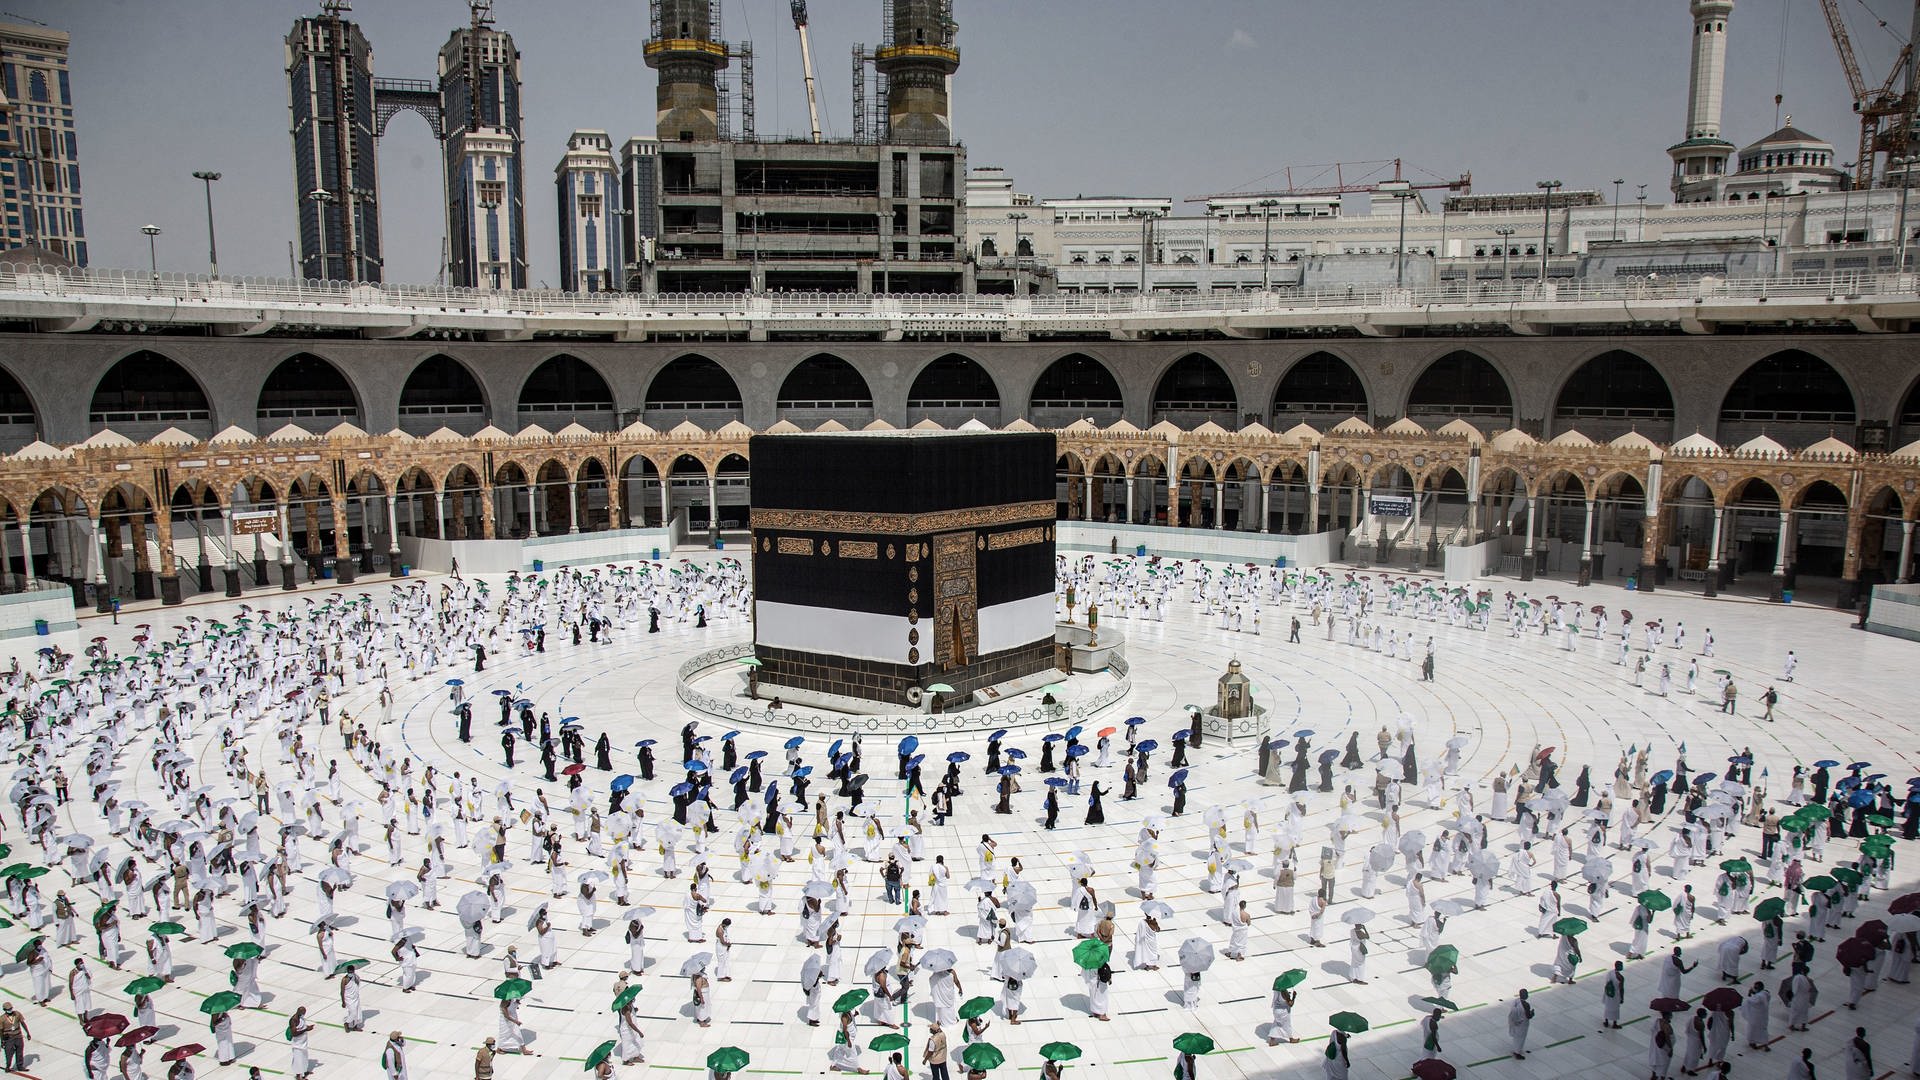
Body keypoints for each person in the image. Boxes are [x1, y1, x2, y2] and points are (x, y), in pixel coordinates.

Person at [0, 1002, 28, 1072]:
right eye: (8, 1009)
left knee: (19, 1051)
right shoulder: (2, 1018)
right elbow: (1, 1030)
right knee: (9, 1053)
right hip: (9, 1037)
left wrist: (27, 1033)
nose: (10, 1010)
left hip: (18, 1035)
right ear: (4, 1010)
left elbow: (22, 1023)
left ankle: (20, 1066)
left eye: (11, 1008)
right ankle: (8, 1066)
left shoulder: (17, 1014)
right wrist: (2, 1041)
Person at [1507, 988, 1533, 1059]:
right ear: (1525, 995)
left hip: (1515, 1022)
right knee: (1521, 1038)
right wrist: (1532, 1013)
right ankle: (1517, 1053)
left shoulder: (1516, 1001)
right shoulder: (1526, 1005)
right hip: (1523, 1024)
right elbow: (1528, 1016)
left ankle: (1516, 1049)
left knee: (1516, 1037)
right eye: (1527, 994)